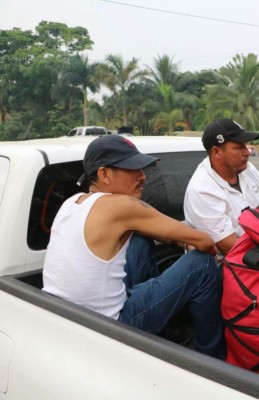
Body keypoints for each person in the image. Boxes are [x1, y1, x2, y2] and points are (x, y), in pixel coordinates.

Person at [42, 135, 226, 359]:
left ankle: (160, 329)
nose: (143, 177)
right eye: (133, 169)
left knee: (139, 241)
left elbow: (139, 230)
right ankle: (212, 358)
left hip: (65, 318)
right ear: (104, 174)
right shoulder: (121, 206)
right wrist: (191, 246)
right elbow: (205, 242)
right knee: (202, 264)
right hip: (110, 327)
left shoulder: (71, 203)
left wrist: (176, 241)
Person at [184, 118, 259, 256]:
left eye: (245, 146)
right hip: (238, 267)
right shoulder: (202, 191)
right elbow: (231, 248)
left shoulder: (247, 169)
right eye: (239, 147)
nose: (247, 152)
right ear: (217, 152)